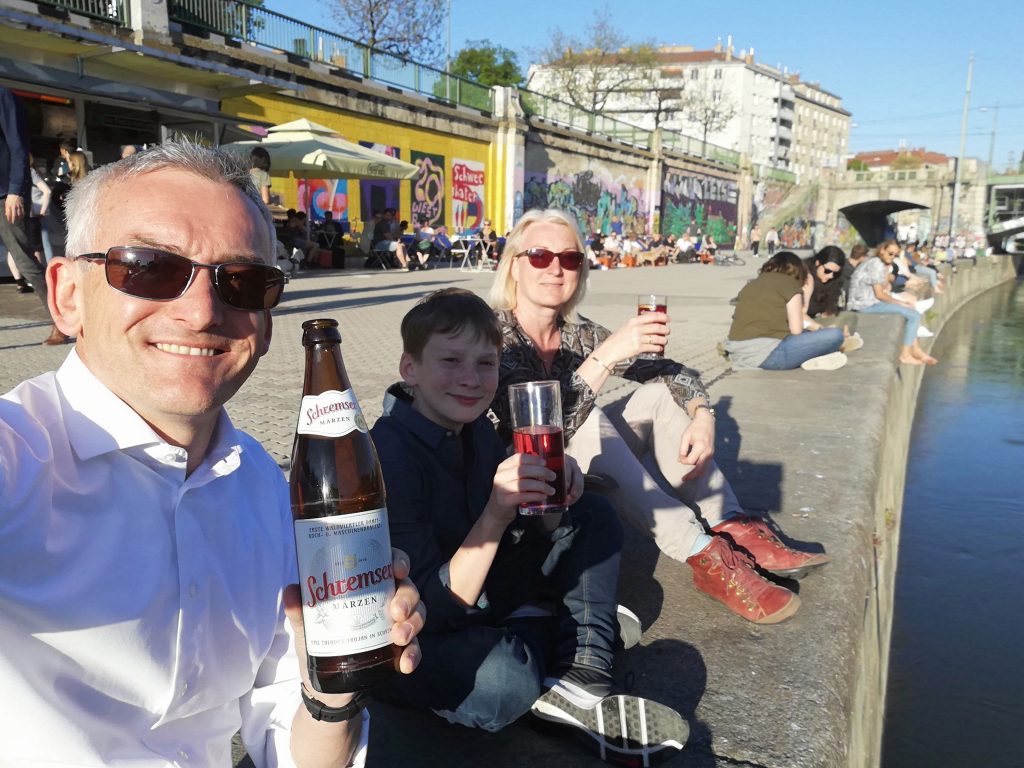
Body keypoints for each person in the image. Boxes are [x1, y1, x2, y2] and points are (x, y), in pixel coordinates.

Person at [0, 141, 425, 766]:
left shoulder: (263, 486)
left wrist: (330, 689)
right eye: (148, 267)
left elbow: (298, 751)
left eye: (243, 281)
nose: (202, 311)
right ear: (66, 295)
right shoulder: (20, 453)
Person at [371, 288, 687, 765]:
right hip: (419, 631)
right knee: (503, 682)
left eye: (485, 364)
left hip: (490, 593)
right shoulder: (387, 455)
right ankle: (574, 637)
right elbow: (431, 606)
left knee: (594, 514)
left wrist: (557, 493)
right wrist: (498, 512)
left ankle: (581, 674)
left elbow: (536, 531)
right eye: (451, 360)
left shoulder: (473, 426)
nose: (471, 379)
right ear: (409, 369)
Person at [488, 209, 828, 625]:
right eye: (540, 256)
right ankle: (700, 550)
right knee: (591, 422)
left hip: (577, 473)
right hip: (521, 492)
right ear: (514, 266)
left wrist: (703, 414)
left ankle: (731, 524)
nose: (556, 268)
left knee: (656, 396)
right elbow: (545, 429)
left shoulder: (578, 332)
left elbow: (670, 372)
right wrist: (607, 355)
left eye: (570, 258)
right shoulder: (493, 336)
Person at [0, 86, 66, 344]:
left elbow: (18, 146)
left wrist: (16, 190)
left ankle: (59, 320)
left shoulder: (3, 96)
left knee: (24, 259)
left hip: (6, 193)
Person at [724, 251, 847, 371]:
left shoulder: (752, 284)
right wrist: (807, 290)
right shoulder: (790, 284)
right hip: (768, 355)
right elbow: (796, 330)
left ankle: (813, 356)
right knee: (836, 335)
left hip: (737, 352)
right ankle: (813, 358)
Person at [846, 239, 937, 366]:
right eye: (890, 253)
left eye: (895, 255)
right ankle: (905, 355)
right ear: (882, 250)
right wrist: (901, 303)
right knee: (914, 314)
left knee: (911, 312)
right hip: (865, 305)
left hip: (864, 302)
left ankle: (915, 350)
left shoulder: (874, 262)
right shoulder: (876, 265)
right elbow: (880, 294)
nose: (892, 257)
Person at [803, 245, 846, 319]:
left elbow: (832, 305)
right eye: (827, 271)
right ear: (817, 263)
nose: (831, 276)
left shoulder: (836, 280)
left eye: (836, 273)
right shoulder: (802, 274)